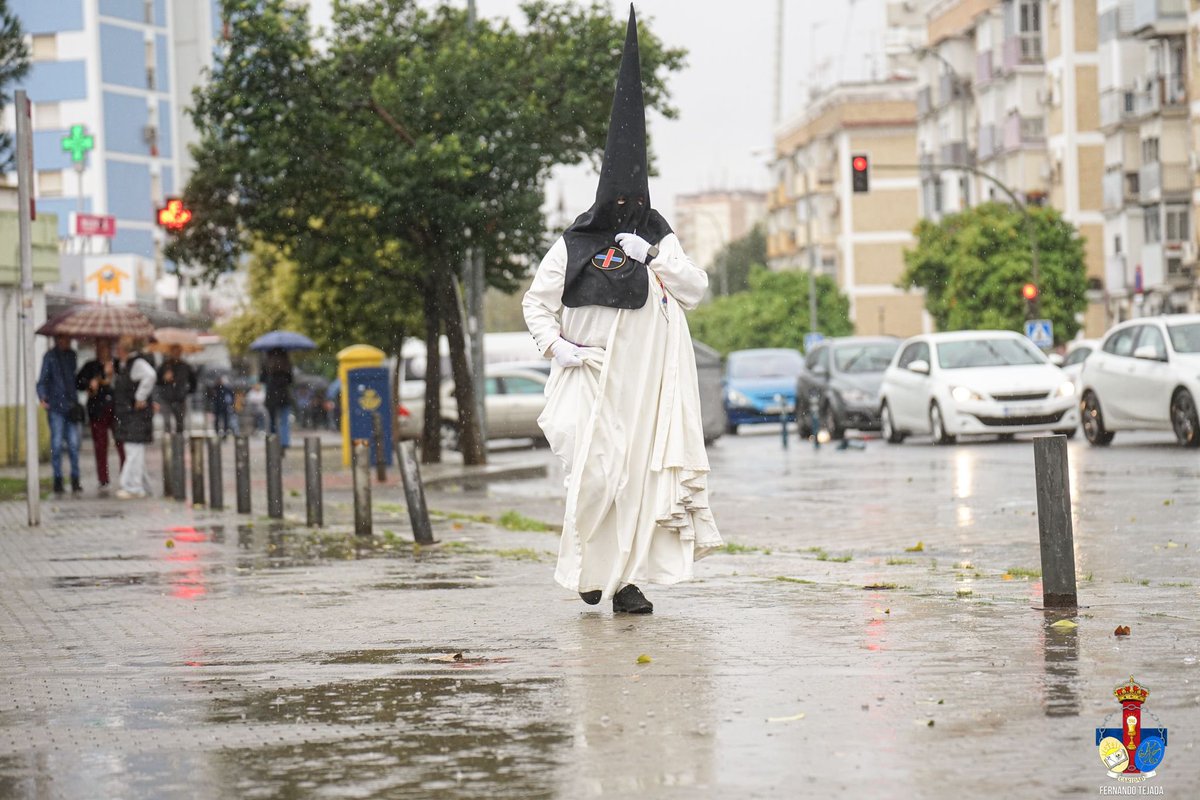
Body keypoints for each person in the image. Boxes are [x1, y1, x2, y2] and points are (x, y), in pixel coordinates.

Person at [521, 8, 721, 615]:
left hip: (646, 394)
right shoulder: (572, 246)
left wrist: (655, 254)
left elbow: (696, 289)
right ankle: (587, 568)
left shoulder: (659, 240)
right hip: (589, 383)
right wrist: (562, 350)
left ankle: (624, 580)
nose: (630, 206)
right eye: (620, 199)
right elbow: (536, 305)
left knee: (636, 485)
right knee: (596, 481)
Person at [75, 338, 125, 495]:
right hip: (97, 410)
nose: (102, 350)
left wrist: (112, 375)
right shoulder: (90, 366)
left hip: (117, 409)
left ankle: (126, 477)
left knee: (122, 444)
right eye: (100, 347)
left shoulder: (119, 364)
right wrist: (90, 383)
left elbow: (126, 383)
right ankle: (103, 479)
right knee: (100, 446)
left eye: (105, 347)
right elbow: (79, 383)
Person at [36, 334, 83, 495]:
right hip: (56, 407)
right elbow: (41, 381)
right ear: (58, 340)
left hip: (71, 407)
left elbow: (74, 380)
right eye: (64, 339)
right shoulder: (49, 357)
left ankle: (75, 480)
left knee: (73, 445)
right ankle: (58, 480)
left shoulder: (72, 356)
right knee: (56, 445)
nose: (67, 342)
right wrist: (42, 397)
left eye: (68, 339)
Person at [113, 337, 157, 499]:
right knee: (135, 450)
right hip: (129, 414)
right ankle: (141, 485)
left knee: (133, 450)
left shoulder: (137, 363)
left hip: (136, 415)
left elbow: (150, 375)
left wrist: (140, 397)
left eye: (118, 348)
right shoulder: (124, 365)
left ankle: (131, 486)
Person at [156, 344, 196, 434]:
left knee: (180, 424)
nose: (176, 353)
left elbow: (193, 381)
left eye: (178, 351)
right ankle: (168, 444)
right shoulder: (164, 366)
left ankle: (179, 445)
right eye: (174, 351)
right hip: (166, 398)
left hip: (180, 398)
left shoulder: (185, 366)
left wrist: (187, 392)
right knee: (167, 423)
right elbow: (157, 381)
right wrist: (164, 379)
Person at [260, 349, 294, 447]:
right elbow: (291, 380)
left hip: (271, 395)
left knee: (272, 421)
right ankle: (284, 442)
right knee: (284, 421)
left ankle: (273, 441)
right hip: (284, 395)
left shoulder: (267, 362)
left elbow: (262, 379)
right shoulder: (286, 362)